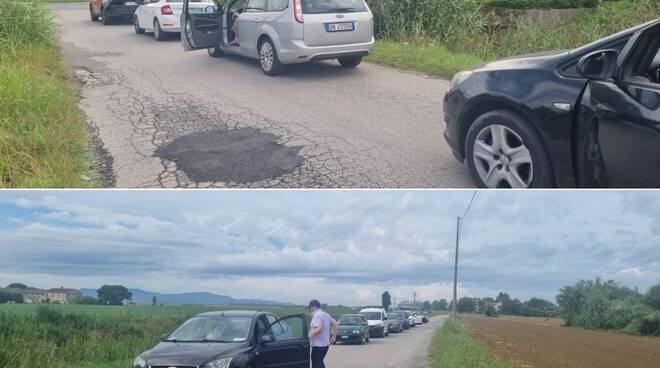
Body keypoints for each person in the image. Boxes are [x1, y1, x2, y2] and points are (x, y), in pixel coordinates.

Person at [308, 299, 338, 368]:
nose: (309, 309)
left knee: (317, 364)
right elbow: (336, 324)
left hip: (318, 345)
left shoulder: (317, 315)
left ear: (314, 307)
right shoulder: (326, 314)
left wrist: (309, 336)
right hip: (325, 345)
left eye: (310, 307)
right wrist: (334, 337)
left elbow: (319, 329)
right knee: (319, 363)